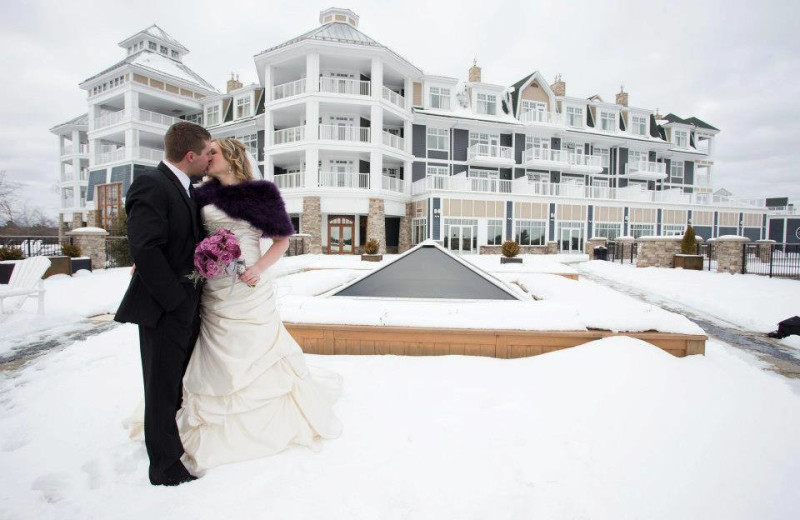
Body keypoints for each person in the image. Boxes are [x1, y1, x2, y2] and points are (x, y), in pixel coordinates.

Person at [176, 137, 342, 475]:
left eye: (214, 153)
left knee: (257, 349)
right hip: (215, 286)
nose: (207, 157)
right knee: (216, 347)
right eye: (206, 152)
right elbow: (187, 236)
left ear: (233, 157)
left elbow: (282, 239)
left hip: (249, 285)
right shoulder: (201, 193)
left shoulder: (261, 193)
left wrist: (258, 268)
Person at [115, 122, 212, 486]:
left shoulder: (185, 188)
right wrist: (175, 301)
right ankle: (165, 467)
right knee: (160, 386)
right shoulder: (151, 184)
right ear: (190, 155)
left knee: (173, 384)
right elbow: (145, 248)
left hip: (186, 303)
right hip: (163, 308)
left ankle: (171, 446)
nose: (208, 160)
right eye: (206, 154)